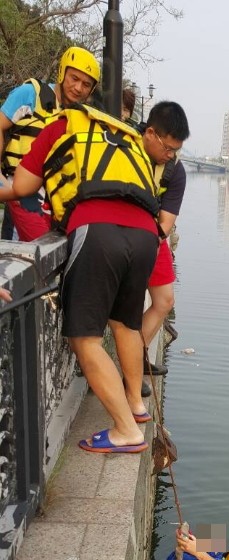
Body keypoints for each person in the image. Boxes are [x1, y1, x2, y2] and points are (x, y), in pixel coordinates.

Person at [0, 101, 176, 453]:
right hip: (146, 234)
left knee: (83, 338)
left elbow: (21, 186)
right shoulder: (126, 137)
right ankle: (136, 407)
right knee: (124, 323)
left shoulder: (61, 125)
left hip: (98, 228)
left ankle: (125, 430)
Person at [0, 46, 99, 241]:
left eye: (86, 84)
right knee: (26, 254)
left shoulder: (81, 118)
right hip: (18, 191)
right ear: (62, 72)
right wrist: (5, 184)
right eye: (74, 78)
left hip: (54, 203)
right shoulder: (30, 94)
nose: (78, 88)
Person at [138, 102, 189, 380]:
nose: (169, 155)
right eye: (166, 148)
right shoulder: (125, 151)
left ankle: (136, 358)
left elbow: (165, 224)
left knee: (164, 300)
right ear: (149, 133)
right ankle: (130, 371)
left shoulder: (175, 172)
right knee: (123, 308)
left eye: (175, 150)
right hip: (117, 236)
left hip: (152, 237)